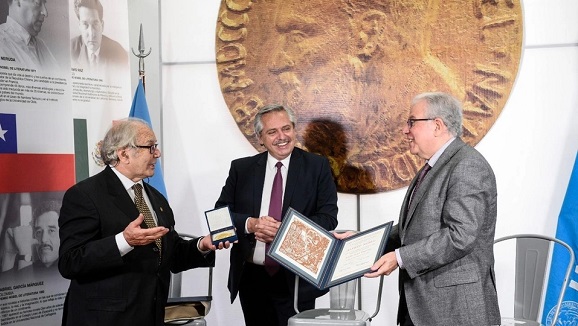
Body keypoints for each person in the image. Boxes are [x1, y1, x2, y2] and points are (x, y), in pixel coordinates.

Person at [337, 92, 500, 325]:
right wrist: (364, 242)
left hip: (454, 311)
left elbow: (460, 236)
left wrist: (400, 258)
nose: (405, 130)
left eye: (412, 122)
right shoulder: (433, 166)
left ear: (437, 125)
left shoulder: (467, 166)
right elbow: (411, 230)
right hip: (422, 306)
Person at [58, 118, 231, 326]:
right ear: (124, 154)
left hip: (151, 316)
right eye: (151, 147)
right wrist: (124, 241)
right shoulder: (85, 195)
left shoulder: (155, 198)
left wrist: (201, 245)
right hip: (103, 319)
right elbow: (70, 262)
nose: (157, 153)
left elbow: (170, 254)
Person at [215, 104, 338, 326]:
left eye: (286, 128)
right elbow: (219, 217)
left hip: (297, 276)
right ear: (260, 138)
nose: (282, 137)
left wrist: (287, 231)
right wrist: (250, 224)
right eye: (272, 132)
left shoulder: (317, 166)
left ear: (294, 129)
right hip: (252, 277)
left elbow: (328, 217)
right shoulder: (241, 169)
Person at [0, 0, 58, 71]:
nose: (45, 13)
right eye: (38, 3)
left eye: (44, 3)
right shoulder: (2, 44)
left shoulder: (42, 45)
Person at [70, 0, 128, 70]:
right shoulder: (69, 51)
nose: (91, 34)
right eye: (85, 24)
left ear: (102, 26)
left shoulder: (118, 53)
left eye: (95, 24)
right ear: (80, 26)